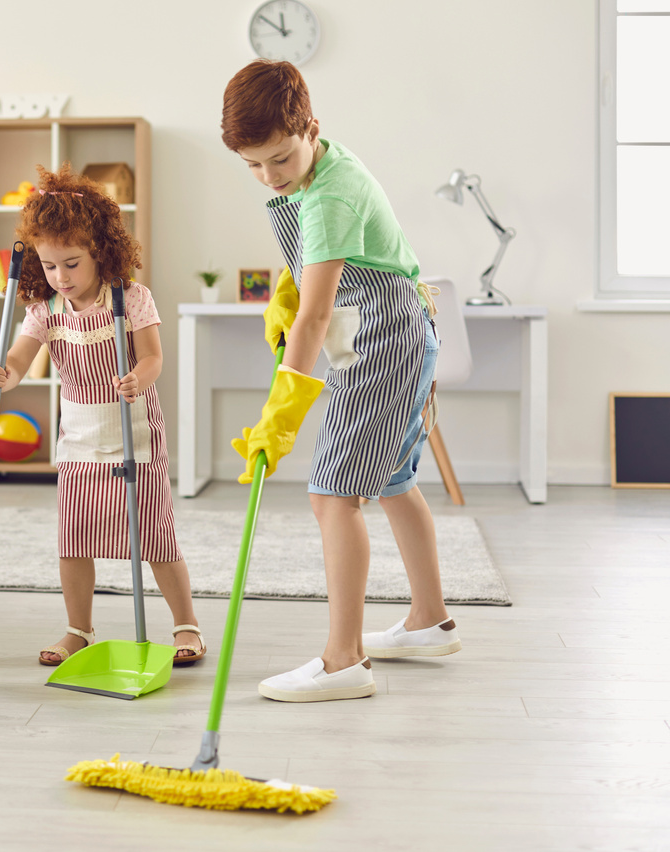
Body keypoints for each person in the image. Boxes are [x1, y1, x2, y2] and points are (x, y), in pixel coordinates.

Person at [222, 60, 460, 702]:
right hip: (389, 333)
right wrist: (287, 285)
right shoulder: (320, 163)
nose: (269, 177)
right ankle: (429, 620)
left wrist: (283, 411)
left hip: (383, 343)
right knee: (392, 480)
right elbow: (324, 266)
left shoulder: (330, 195)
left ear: (310, 128)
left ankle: (343, 661)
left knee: (333, 496)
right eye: (253, 165)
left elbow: (318, 314)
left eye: (278, 159)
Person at [0, 164, 204, 666]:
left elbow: (152, 357)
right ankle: (78, 629)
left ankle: (186, 625)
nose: (61, 277)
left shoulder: (131, 298)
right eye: (51, 265)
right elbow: (18, 359)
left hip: (134, 436)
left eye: (72, 264)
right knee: (74, 536)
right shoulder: (45, 311)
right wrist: (3, 375)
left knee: (155, 536)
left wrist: (139, 378)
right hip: (79, 438)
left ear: (100, 252)